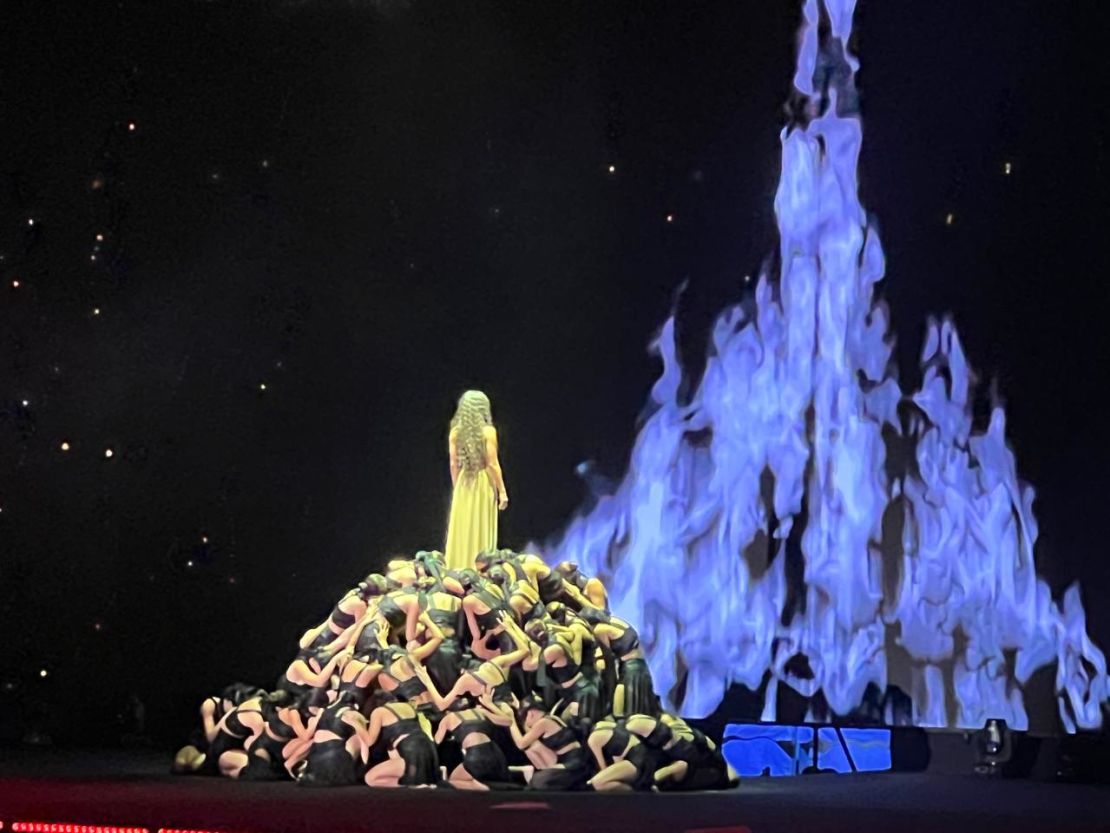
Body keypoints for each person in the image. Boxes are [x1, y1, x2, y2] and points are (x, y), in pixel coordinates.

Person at [444, 391, 508, 571]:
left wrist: (458, 487)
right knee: (480, 524)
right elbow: (492, 463)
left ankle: (457, 567)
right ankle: (481, 568)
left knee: (463, 525)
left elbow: (453, 463)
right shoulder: (488, 432)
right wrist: (502, 491)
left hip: (464, 481)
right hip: (482, 481)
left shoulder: (455, 432)